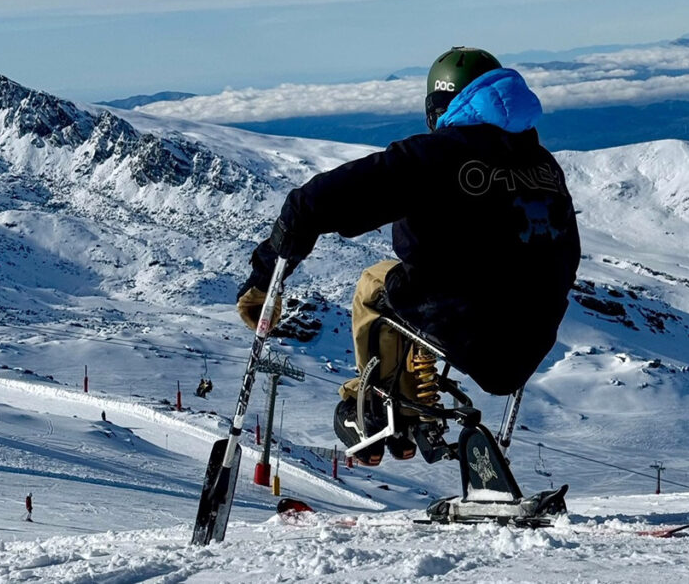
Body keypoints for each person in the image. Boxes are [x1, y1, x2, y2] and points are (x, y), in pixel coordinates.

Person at [237, 47, 581, 465]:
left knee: (375, 287)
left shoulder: (436, 157)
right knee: (416, 289)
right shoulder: (544, 165)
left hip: (470, 327)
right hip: (528, 342)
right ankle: (412, 416)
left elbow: (310, 204)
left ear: (439, 107)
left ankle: (367, 412)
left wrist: (264, 277)